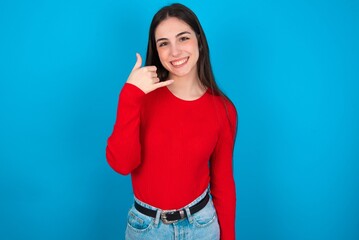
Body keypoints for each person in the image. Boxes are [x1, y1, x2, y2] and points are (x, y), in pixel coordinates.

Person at [106, 3, 237, 240]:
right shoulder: (140, 98)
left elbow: (224, 184)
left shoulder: (223, 110)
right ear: (156, 50)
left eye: (183, 38)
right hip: (146, 230)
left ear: (198, 39)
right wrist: (129, 96)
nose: (175, 52)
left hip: (203, 226)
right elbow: (122, 164)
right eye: (164, 43)